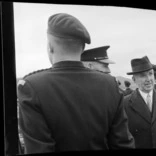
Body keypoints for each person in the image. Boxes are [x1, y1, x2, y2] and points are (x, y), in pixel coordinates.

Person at [17, 13, 134, 154]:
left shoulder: (32, 87)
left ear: (50, 47)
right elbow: (122, 144)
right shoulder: (110, 84)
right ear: (82, 48)